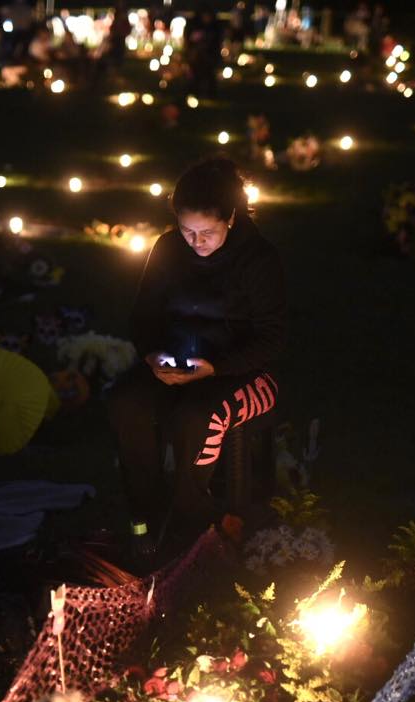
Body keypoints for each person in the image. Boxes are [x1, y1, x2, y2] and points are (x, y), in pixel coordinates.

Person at [106, 158, 287, 559]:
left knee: (198, 414)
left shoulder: (258, 260)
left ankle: (193, 521)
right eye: (187, 231)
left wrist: (216, 368)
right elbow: (143, 317)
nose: (196, 242)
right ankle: (145, 512)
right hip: (176, 363)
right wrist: (154, 356)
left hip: (244, 371)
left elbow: (272, 340)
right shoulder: (168, 249)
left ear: (232, 218)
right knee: (126, 402)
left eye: (207, 232)